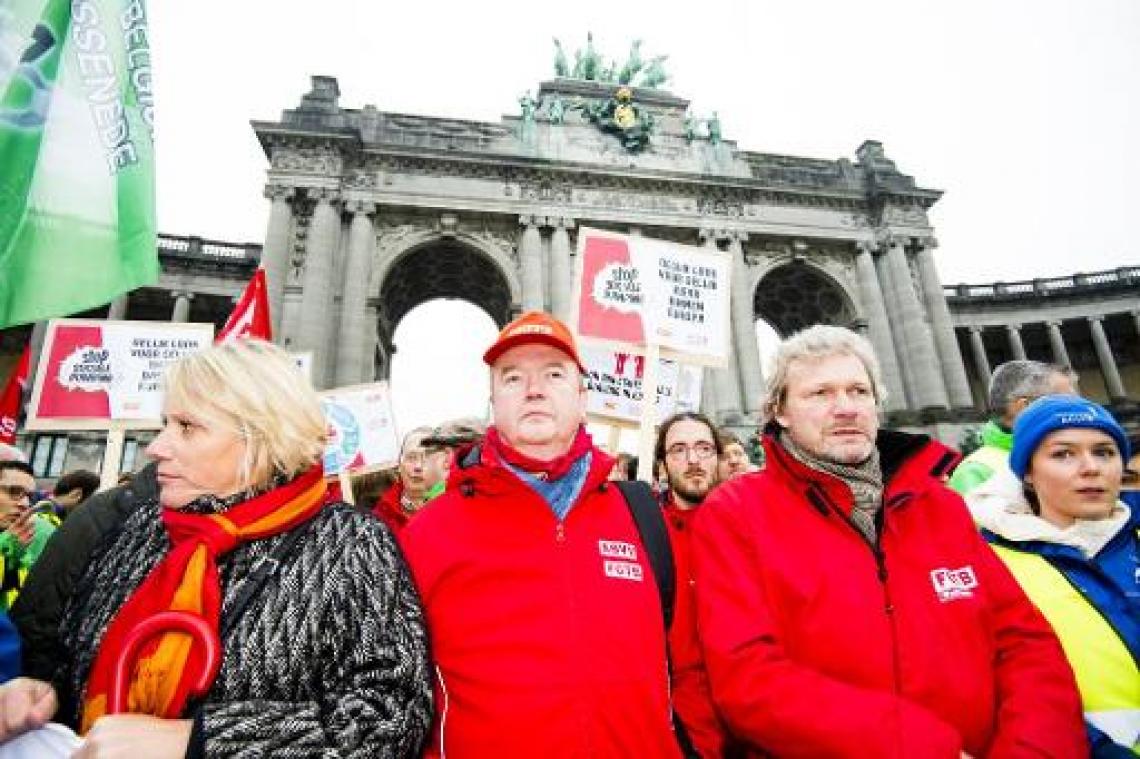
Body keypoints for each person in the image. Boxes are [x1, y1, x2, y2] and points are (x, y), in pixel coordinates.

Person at [0, 339, 432, 757]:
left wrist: (202, 741)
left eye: (187, 427)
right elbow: (78, 659)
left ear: (262, 438)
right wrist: (45, 694)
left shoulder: (352, 544)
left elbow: (391, 716)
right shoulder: (140, 527)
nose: (156, 447)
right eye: (165, 424)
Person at [692, 325, 1086, 757]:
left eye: (859, 391)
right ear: (779, 412)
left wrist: (1029, 749)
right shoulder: (735, 514)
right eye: (820, 394)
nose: (846, 408)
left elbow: (1025, 644)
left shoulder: (942, 506)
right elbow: (748, 677)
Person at [399, 311, 698, 757]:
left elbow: (691, 670)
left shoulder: (644, 517)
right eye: (513, 377)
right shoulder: (427, 535)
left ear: (582, 398)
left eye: (554, 374)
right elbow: (399, 693)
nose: (534, 389)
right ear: (493, 402)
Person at [965, 395, 1139, 757]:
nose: (1091, 468)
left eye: (1105, 452)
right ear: (1027, 472)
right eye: (1063, 454)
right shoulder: (990, 565)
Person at [655, 411, 729, 757]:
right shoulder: (644, 532)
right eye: (679, 450)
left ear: (719, 458)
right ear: (662, 466)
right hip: (682, 727)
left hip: (752, 720)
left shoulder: (749, 528)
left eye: (704, 448)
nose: (693, 460)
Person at [949, 360, 1077, 496]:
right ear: (1026, 407)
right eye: (1066, 402)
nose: (1079, 410)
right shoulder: (975, 472)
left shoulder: (1079, 453)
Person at [0, 460, 56, 612]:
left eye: (29, 496)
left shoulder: (26, 539)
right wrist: (6, 547)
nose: (25, 504)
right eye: (14, 492)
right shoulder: (12, 541)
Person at [372, 426, 448, 534]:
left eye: (427, 458)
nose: (418, 466)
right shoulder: (380, 518)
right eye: (411, 457)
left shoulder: (456, 509)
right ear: (399, 465)